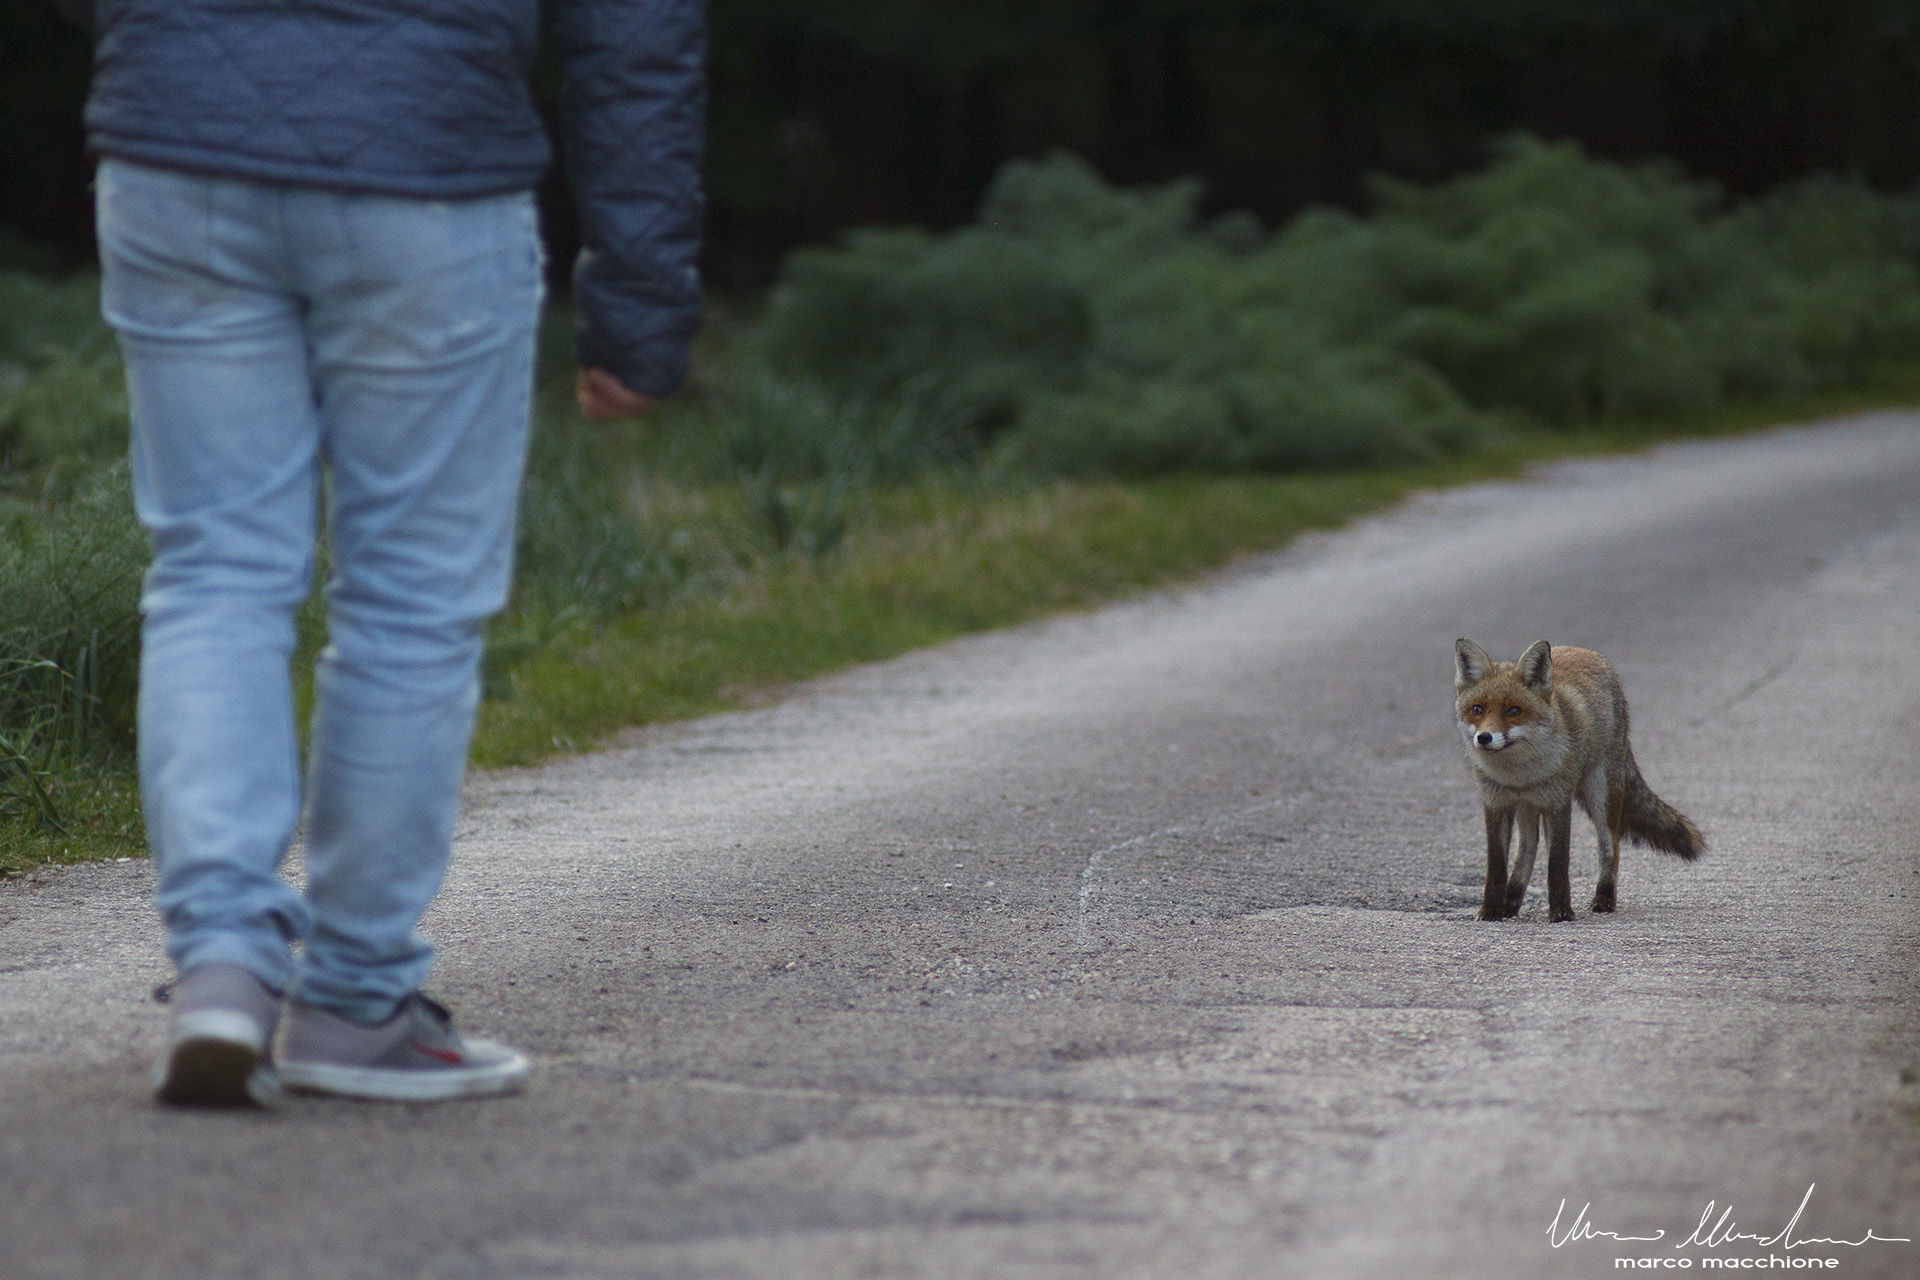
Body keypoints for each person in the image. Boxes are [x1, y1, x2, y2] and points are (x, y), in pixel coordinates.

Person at [71, 0, 705, 1105]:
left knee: (214, 569)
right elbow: (634, 32)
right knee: (409, 598)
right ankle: (356, 1003)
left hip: (176, 146)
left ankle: (223, 967)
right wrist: (641, 300)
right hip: (430, 165)